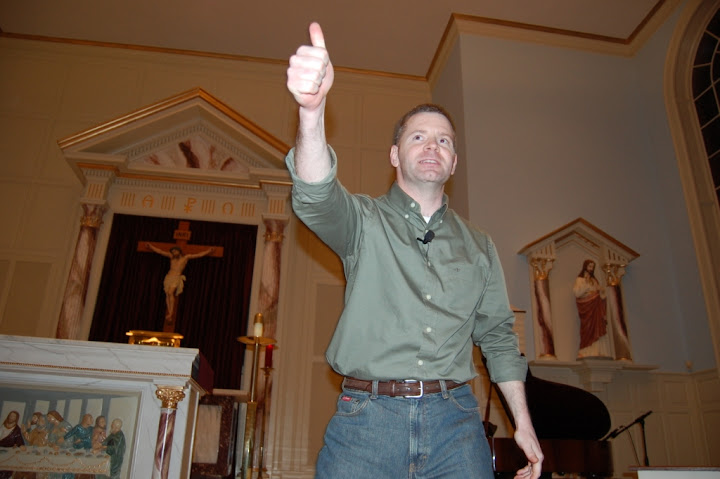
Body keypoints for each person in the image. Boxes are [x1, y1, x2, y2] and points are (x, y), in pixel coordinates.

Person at [286, 22, 543, 479]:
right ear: (394, 155)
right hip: (365, 423)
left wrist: (522, 423)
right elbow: (316, 194)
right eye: (418, 137)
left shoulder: (480, 246)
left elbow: (499, 338)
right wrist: (312, 111)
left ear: (454, 162)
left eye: (444, 140)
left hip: (456, 426)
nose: (432, 146)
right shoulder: (363, 221)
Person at [146, 243, 214, 320]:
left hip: (176, 277)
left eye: (175, 251)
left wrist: (208, 251)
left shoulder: (185, 258)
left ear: (179, 251)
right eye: (173, 252)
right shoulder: (171, 257)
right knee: (167, 294)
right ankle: (170, 313)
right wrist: (151, 247)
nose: (174, 253)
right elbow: (160, 251)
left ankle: (171, 313)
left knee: (170, 292)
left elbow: (198, 255)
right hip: (168, 277)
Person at [573, 259, 612, 358]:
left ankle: (598, 350)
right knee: (588, 327)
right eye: (589, 266)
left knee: (598, 326)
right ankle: (586, 350)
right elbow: (577, 293)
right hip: (586, 308)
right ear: (585, 266)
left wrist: (602, 292)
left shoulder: (594, 280)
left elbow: (600, 294)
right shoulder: (580, 280)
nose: (591, 269)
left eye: (592, 267)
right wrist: (586, 284)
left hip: (596, 307)